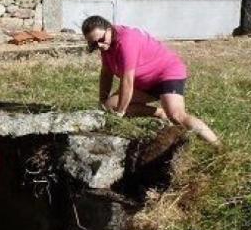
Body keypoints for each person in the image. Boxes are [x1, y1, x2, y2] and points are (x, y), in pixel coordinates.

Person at [81, 16, 219, 144]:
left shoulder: (126, 40)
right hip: (144, 82)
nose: (99, 46)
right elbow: (106, 74)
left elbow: (127, 81)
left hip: (166, 74)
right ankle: (160, 113)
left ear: (109, 29)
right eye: (93, 44)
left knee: (176, 115)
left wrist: (120, 113)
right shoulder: (106, 46)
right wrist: (101, 102)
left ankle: (217, 146)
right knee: (109, 105)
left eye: (101, 40)